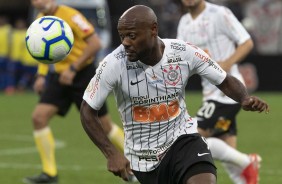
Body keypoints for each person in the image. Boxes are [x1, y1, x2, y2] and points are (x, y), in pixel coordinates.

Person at [80, 5, 269, 184]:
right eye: (122, 37)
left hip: (184, 140)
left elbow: (224, 79)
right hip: (144, 159)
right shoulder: (112, 64)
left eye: (131, 36)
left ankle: (244, 164)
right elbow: (87, 110)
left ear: (153, 29)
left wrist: (244, 98)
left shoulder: (183, 52)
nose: (125, 43)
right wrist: (111, 153)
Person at [23, 0, 124, 183]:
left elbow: (95, 43)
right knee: (39, 117)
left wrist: (73, 68)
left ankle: (141, 163)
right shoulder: (40, 20)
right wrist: (40, 75)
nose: (39, 2)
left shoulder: (71, 15)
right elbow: (43, 52)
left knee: (104, 126)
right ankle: (49, 173)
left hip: (83, 74)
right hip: (60, 77)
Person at [176, 0, 260, 183]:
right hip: (209, 93)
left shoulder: (220, 13)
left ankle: (248, 162)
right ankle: (246, 172)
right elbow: (182, 58)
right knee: (229, 155)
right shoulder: (184, 23)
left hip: (227, 93)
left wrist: (227, 64)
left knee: (192, 138)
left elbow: (246, 42)